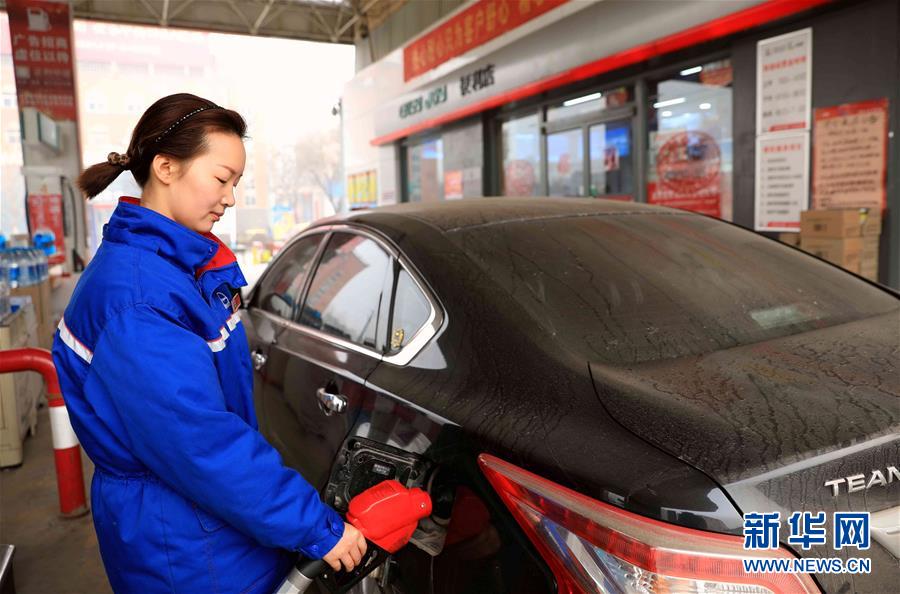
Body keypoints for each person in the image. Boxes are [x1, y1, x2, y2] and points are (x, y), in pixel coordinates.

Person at [51, 93, 366, 593]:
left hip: (196, 525)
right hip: (186, 546)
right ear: (166, 167)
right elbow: (202, 442)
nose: (231, 198)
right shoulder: (138, 297)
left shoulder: (171, 271)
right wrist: (315, 527)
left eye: (236, 183)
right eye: (222, 178)